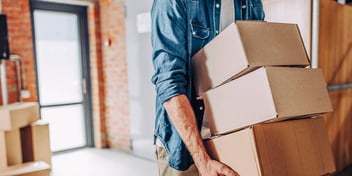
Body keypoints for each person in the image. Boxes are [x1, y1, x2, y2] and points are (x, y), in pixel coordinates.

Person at [151, 0, 265, 175]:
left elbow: (258, 67)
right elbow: (169, 83)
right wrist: (203, 160)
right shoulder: (173, 2)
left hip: (235, 137)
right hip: (186, 145)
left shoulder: (251, 2)